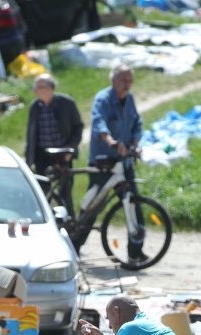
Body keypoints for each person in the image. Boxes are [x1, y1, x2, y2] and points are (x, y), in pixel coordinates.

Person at [75, 65, 144, 258]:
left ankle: (136, 251)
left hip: (124, 164)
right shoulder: (103, 99)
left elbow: (137, 123)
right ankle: (74, 247)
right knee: (93, 207)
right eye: (124, 80)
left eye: (130, 80)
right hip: (103, 163)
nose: (127, 84)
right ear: (113, 80)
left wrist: (135, 144)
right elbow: (99, 123)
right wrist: (112, 142)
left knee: (134, 205)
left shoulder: (129, 99)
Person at [25, 73, 83, 217]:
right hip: (42, 156)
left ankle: (70, 225)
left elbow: (78, 127)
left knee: (65, 192)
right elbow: (31, 136)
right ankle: (45, 222)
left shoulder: (66, 103)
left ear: (51, 88)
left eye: (39, 87)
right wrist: (29, 160)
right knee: (43, 193)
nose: (35, 90)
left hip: (62, 155)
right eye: (35, 87)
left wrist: (70, 149)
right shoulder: (35, 107)